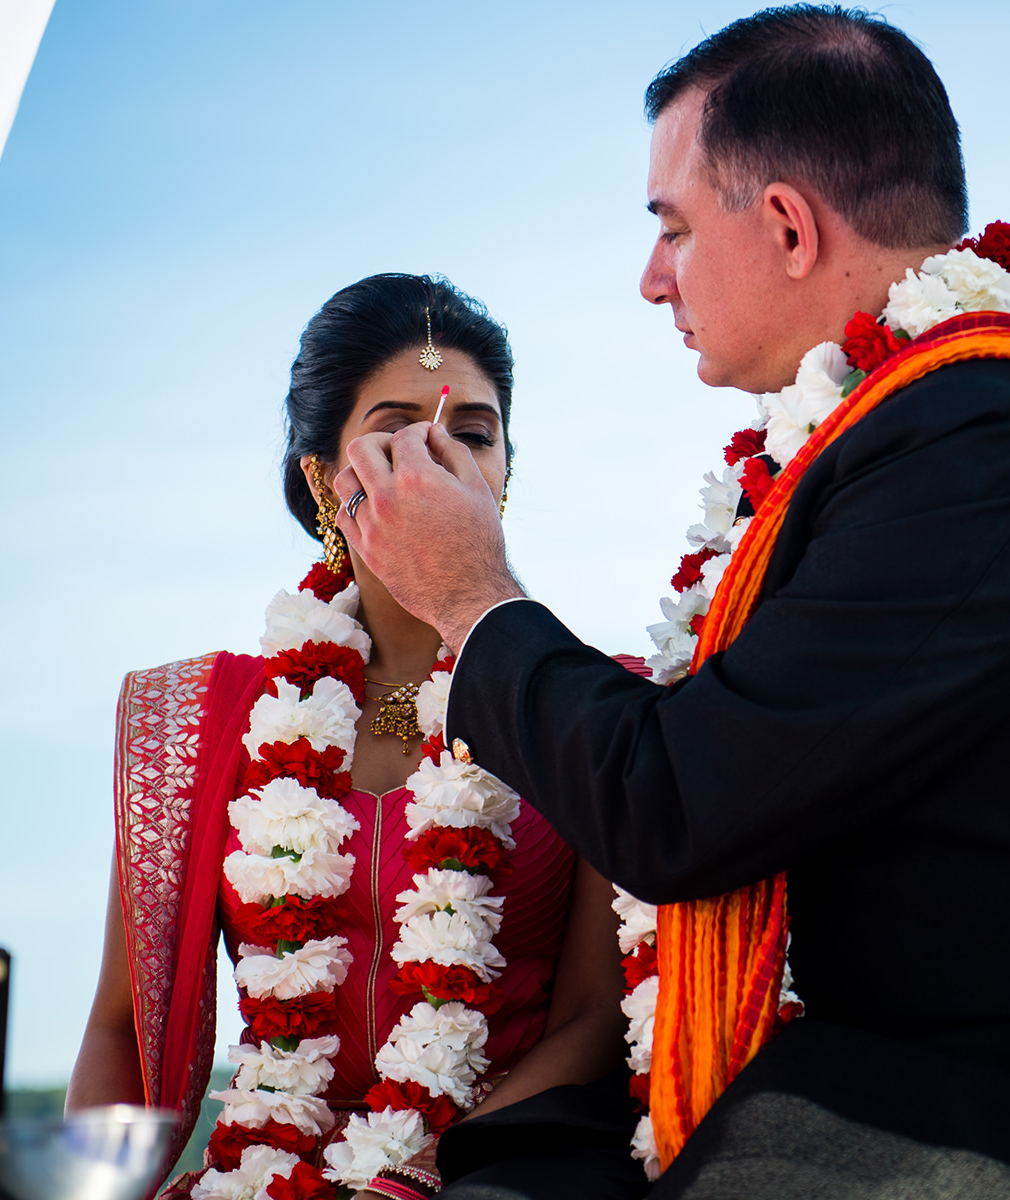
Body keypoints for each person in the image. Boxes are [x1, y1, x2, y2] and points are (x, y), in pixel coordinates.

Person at [334, 9, 1010, 1200]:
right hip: (910, 1079)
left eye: (670, 229)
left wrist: (473, 595)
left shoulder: (984, 436)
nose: (651, 278)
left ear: (786, 227)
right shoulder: (911, 424)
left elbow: (684, 806)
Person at [67, 274, 647, 1199]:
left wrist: (407, 1178)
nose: (435, 453)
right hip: (264, 1174)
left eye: (471, 431)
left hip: (504, 1172)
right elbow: (117, 1032)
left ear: (504, 473)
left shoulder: (588, 706)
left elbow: (591, 1020)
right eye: (394, 425)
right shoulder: (205, 721)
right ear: (322, 479)